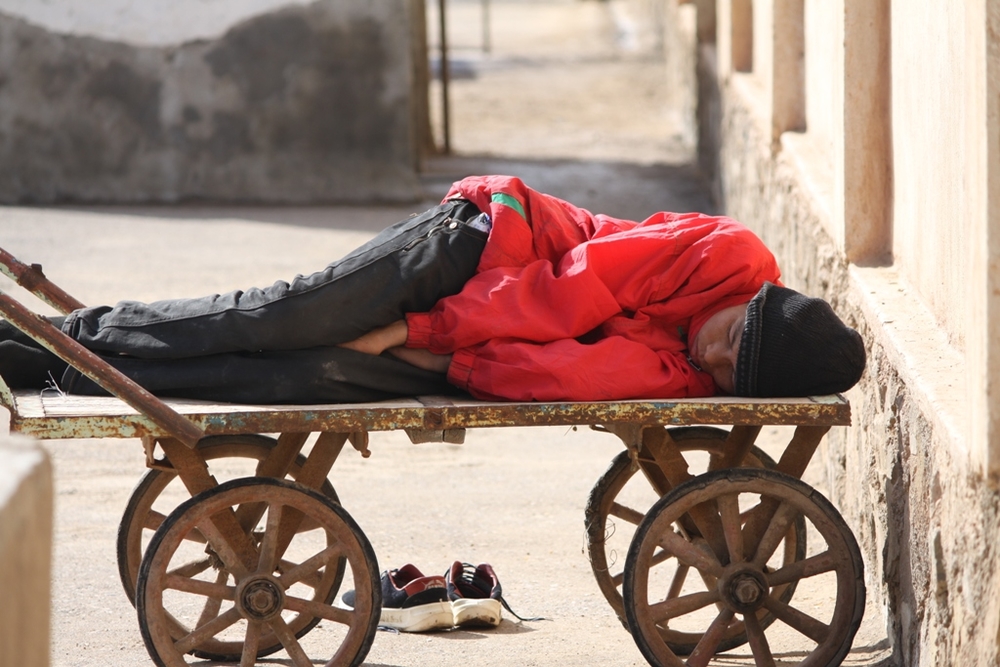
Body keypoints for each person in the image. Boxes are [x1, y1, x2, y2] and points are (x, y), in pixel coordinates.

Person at [0, 175, 865, 404]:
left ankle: (58, 371)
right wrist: (412, 327)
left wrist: (446, 364)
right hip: (478, 248)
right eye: (729, 337)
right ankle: (70, 332)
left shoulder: (699, 368)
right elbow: (563, 297)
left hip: (463, 346)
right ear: (759, 304)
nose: (709, 353)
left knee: (299, 380)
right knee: (284, 318)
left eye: (728, 370)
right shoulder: (725, 255)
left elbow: (571, 374)